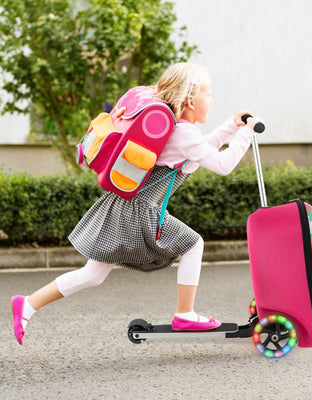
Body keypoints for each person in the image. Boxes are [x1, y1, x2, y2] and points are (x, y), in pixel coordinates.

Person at [11, 62, 255, 345]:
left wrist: (232, 125)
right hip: (140, 211)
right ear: (190, 100)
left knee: (92, 275)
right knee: (194, 244)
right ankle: (185, 313)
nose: (212, 100)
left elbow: (204, 147)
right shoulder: (183, 133)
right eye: (208, 94)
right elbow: (223, 164)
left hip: (126, 206)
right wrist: (247, 133)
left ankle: (27, 304)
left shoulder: (179, 130)